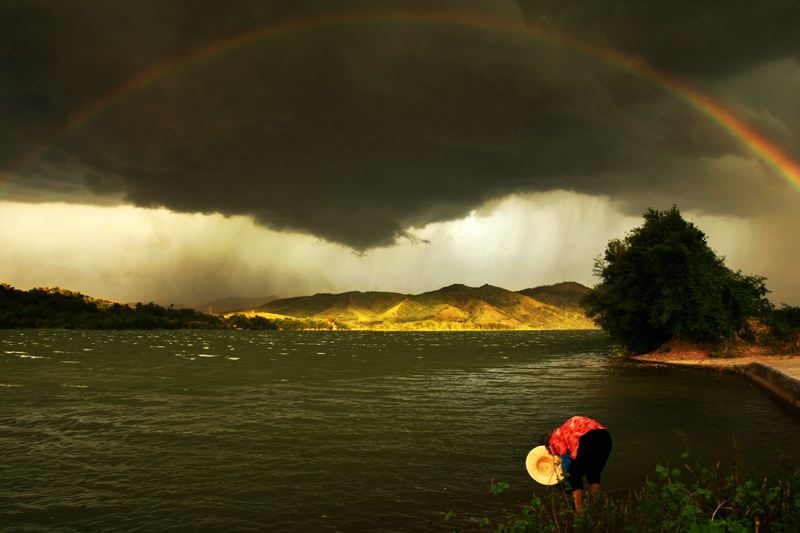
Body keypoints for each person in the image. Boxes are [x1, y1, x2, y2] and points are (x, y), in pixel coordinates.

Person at [540, 416, 612, 512]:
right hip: (605, 436)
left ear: (547, 445)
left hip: (587, 437)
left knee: (573, 474)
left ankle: (578, 511)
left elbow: (566, 461)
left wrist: (565, 479)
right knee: (593, 473)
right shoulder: (563, 431)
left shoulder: (554, 439)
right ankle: (597, 509)